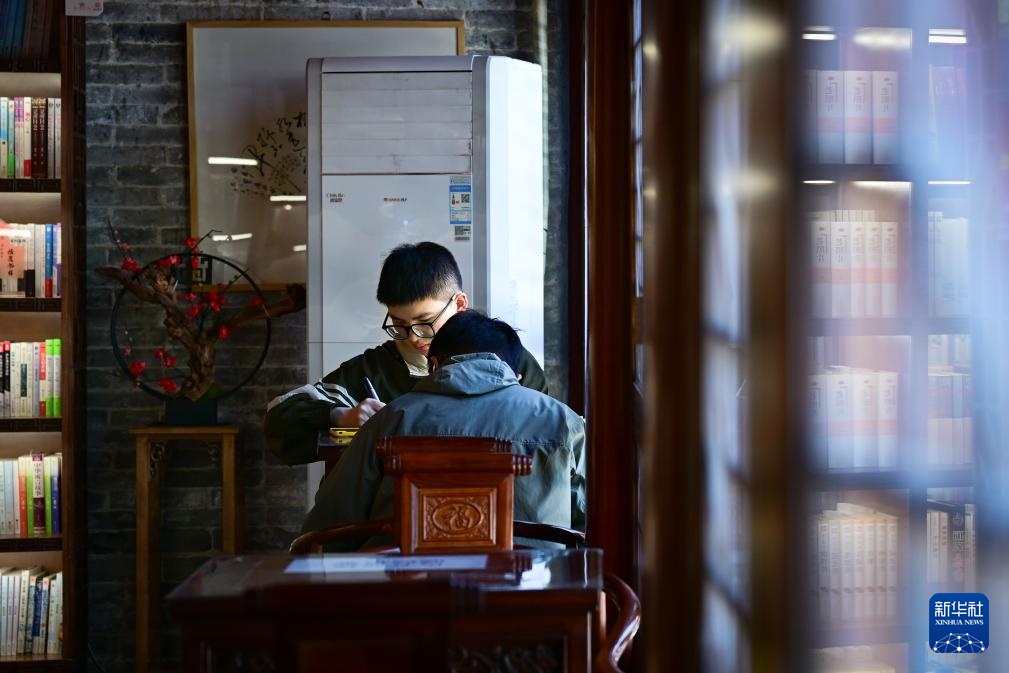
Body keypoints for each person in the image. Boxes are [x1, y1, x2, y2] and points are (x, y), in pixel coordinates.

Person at [301, 310, 586, 547]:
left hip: (407, 592)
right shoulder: (562, 421)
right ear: (516, 374)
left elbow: (328, 524)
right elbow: (590, 517)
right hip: (534, 590)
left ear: (434, 364)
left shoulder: (391, 419)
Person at [264, 241, 548, 465]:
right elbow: (279, 421)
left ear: (460, 304)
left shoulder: (508, 361)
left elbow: (546, 439)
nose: (413, 337)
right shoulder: (375, 371)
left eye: (426, 321)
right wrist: (342, 416)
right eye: (399, 324)